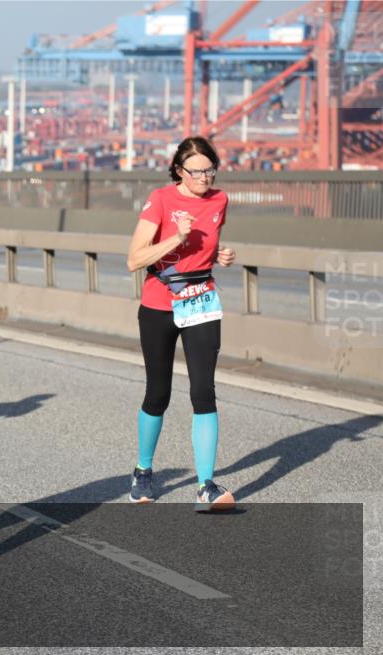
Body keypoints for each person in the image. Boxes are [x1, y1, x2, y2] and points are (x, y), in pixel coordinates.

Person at [125, 136, 237, 512]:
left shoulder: (220, 201)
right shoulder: (160, 199)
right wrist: (177, 236)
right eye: (196, 171)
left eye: (209, 170)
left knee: (203, 391)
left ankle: (206, 486)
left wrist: (219, 254)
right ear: (178, 170)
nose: (204, 177)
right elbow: (134, 259)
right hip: (159, 304)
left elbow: (204, 249)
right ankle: (143, 471)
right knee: (159, 392)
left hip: (201, 301)